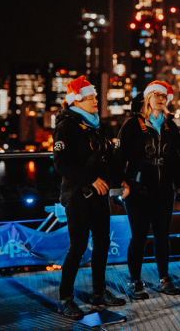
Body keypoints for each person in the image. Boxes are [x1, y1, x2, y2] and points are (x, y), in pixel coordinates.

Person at [53, 76, 126, 319]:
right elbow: (61, 164)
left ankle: (98, 293)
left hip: (99, 195)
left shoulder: (98, 125)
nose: (96, 100)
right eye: (91, 97)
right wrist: (91, 180)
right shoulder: (66, 126)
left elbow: (108, 160)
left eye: (95, 96)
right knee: (78, 247)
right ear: (77, 100)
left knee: (103, 243)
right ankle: (65, 299)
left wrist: (120, 181)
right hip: (78, 195)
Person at [115, 80, 180, 299]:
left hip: (164, 190)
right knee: (138, 236)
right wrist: (121, 184)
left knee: (162, 236)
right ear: (147, 98)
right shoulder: (132, 125)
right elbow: (119, 158)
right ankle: (135, 281)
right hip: (138, 190)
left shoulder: (170, 126)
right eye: (156, 94)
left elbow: (179, 159)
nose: (160, 98)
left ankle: (164, 278)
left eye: (163, 96)